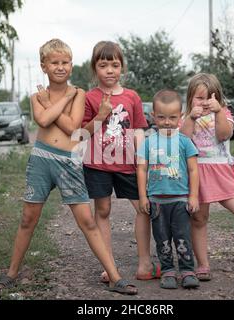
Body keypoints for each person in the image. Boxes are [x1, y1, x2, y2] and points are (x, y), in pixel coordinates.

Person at [0, 39, 137, 295]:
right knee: (28, 218)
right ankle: (11, 273)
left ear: (71, 66)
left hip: (68, 162)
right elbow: (42, 119)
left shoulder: (80, 94)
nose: (60, 67)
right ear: (44, 66)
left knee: (87, 220)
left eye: (65, 63)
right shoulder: (36, 97)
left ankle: (115, 277)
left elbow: (74, 130)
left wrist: (56, 102)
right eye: (54, 63)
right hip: (41, 159)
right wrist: (57, 102)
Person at [81, 41, 161, 283]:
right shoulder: (89, 98)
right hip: (97, 164)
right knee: (102, 211)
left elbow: (138, 130)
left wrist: (141, 159)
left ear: (122, 68)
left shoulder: (132, 97)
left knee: (142, 208)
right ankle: (109, 266)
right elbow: (82, 133)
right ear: (94, 68)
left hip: (128, 164)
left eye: (115, 65)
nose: (109, 70)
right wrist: (101, 116)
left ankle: (144, 264)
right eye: (103, 65)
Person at [180, 73, 234, 282]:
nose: (204, 102)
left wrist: (218, 112)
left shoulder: (224, 113)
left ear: (218, 98)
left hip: (222, 172)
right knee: (198, 218)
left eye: (209, 97)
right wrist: (191, 117)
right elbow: (183, 140)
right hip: (197, 173)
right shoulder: (186, 117)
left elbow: (223, 134)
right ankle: (203, 264)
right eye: (199, 98)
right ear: (190, 99)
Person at [137, 89, 200, 289]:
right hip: (157, 200)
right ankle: (168, 271)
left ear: (180, 117)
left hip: (180, 199)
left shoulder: (185, 142)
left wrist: (194, 196)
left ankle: (188, 270)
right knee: (162, 238)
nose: (167, 122)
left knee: (183, 236)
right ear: (153, 116)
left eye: (172, 117)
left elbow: (193, 170)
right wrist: (143, 197)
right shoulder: (148, 142)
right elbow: (141, 169)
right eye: (161, 117)